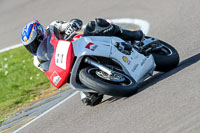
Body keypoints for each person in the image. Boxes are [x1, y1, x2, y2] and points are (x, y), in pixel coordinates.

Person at [21, 18, 144, 106]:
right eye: (30, 46)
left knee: (95, 25)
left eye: (35, 42)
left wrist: (73, 25)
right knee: (90, 100)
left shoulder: (53, 27)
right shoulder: (37, 61)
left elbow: (71, 23)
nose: (34, 47)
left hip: (81, 45)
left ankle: (131, 35)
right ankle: (103, 77)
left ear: (40, 33)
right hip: (70, 65)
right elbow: (52, 70)